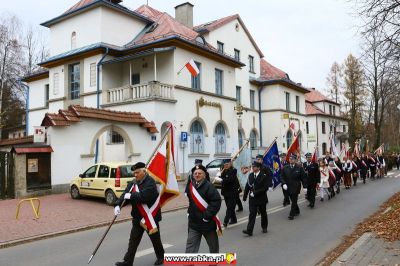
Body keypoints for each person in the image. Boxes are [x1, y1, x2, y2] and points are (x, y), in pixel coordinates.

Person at [114, 162, 164, 266]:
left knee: (155, 240)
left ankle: (161, 257)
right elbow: (125, 194)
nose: (135, 175)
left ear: (144, 171)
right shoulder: (133, 182)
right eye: (134, 173)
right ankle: (128, 261)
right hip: (137, 217)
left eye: (137, 172)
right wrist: (118, 205)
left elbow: (143, 197)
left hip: (150, 217)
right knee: (133, 241)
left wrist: (131, 195)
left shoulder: (151, 183)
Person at [185, 165, 222, 253]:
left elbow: (216, 201)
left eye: (200, 173)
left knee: (213, 246)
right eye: (195, 173)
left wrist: (206, 216)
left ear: (204, 175)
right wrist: (189, 212)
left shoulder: (209, 186)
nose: (197, 175)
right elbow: (191, 202)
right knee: (190, 246)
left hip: (207, 223)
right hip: (194, 223)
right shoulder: (191, 186)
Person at [242, 161, 272, 235]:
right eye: (252, 166)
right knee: (252, 214)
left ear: (258, 168)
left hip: (261, 198)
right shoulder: (251, 175)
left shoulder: (263, 176)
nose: (253, 167)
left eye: (254, 166)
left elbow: (265, 188)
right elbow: (247, 186)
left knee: (263, 213)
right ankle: (249, 230)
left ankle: (264, 227)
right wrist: (245, 196)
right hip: (252, 199)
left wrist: (255, 193)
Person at [280, 154, 307, 220]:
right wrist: (283, 183)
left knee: (294, 200)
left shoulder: (299, 168)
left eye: (292, 159)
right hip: (287, 187)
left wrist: (305, 187)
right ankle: (297, 210)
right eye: (290, 159)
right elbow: (281, 176)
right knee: (292, 200)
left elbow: (303, 178)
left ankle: (291, 214)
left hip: (296, 187)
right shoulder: (285, 167)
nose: (291, 160)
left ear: (295, 160)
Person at [215, 159, 238, 227]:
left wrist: (222, 179)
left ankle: (226, 221)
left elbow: (230, 179)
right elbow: (219, 179)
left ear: (230, 163)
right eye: (225, 165)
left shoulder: (234, 170)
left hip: (232, 192)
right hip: (225, 192)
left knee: (230, 207)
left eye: (227, 164)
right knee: (229, 206)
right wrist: (219, 175)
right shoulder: (223, 170)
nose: (226, 166)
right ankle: (234, 219)